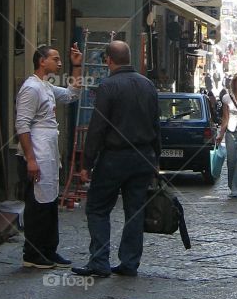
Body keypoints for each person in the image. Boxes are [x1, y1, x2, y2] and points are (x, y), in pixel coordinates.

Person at [72, 41, 160, 278]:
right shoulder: (148, 85)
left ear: (108, 60)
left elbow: (97, 128)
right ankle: (129, 263)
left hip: (114, 157)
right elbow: (156, 125)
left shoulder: (108, 86)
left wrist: (86, 164)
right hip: (143, 156)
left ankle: (99, 261)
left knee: (98, 208)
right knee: (135, 211)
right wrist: (156, 160)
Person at [15, 43, 83, 269]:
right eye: (55, 58)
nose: (59, 62)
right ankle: (32, 253)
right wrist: (31, 159)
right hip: (39, 148)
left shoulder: (46, 86)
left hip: (49, 149)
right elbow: (22, 124)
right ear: (42, 61)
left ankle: (48, 249)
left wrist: (77, 66)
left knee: (50, 200)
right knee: (37, 202)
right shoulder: (31, 88)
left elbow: (73, 94)